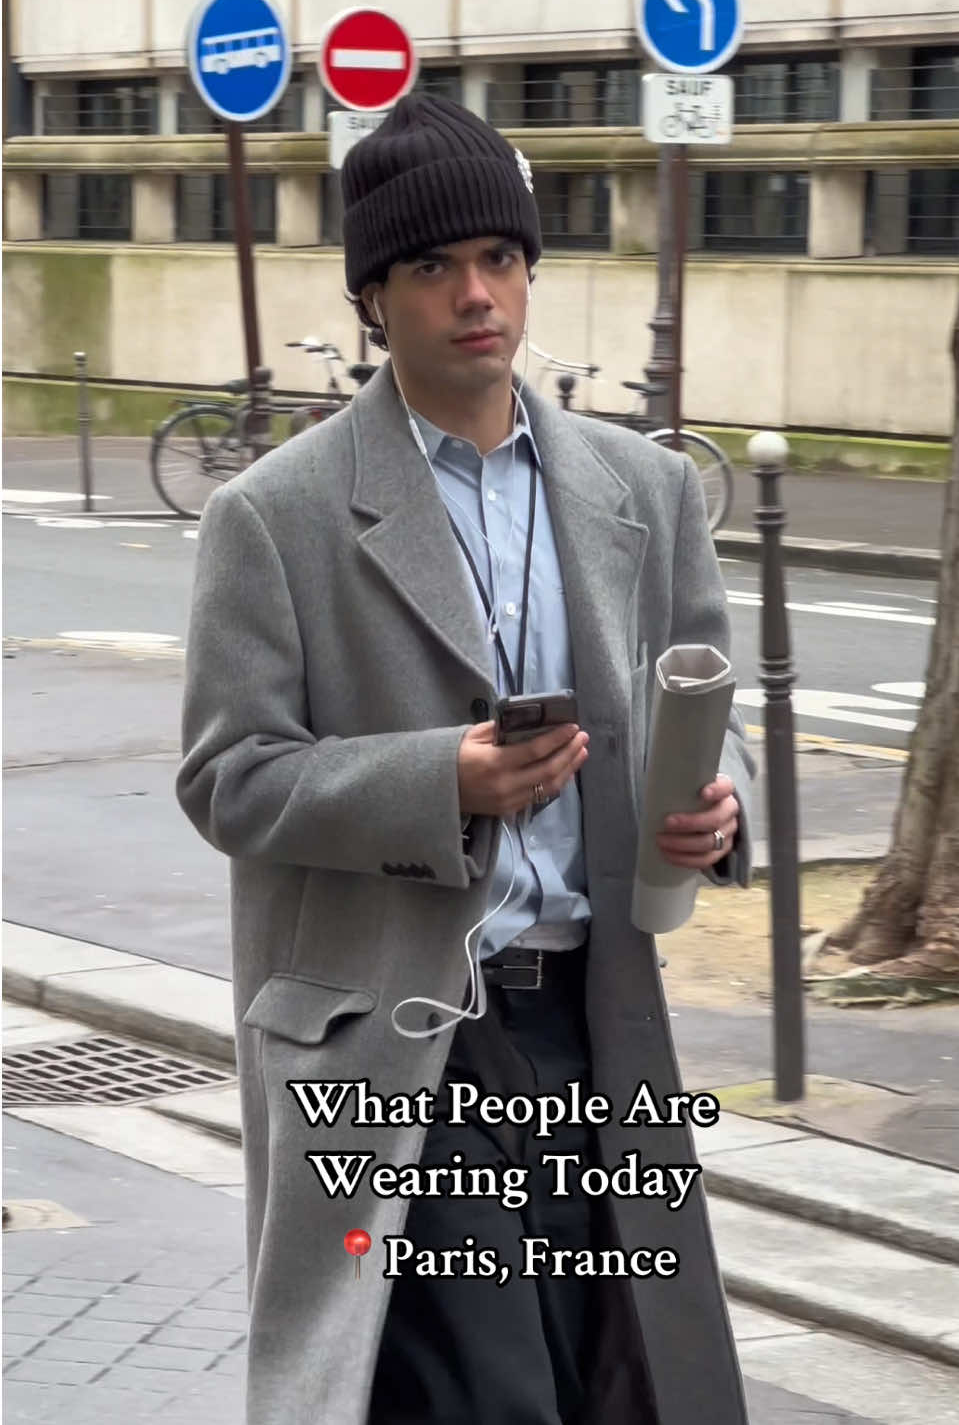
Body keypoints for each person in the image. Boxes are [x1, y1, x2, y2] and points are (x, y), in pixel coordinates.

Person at [177, 93, 754, 1425]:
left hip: (591, 1020)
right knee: (485, 1392)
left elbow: (697, 717)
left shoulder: (642, 490)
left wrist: (711, 822)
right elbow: (230, 777)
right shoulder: (276, 515)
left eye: (498, 258)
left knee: (604, 1372)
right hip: (399, 1036)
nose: (474, 294)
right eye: (431, 268)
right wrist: (440, 779)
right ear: (375, 298)